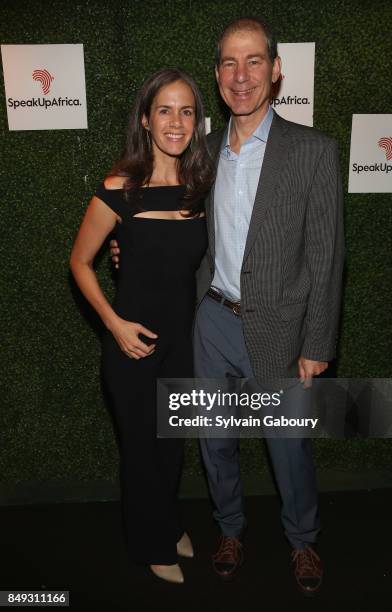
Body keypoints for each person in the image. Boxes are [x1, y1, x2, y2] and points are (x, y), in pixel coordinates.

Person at [111, 17, 344, 596]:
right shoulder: (202, 152)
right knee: (215, 441)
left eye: (254, 61)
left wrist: (317, 345)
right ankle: (230, 529)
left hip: (284, 329)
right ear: (217, 76)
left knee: (288, 448)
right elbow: (164, 221)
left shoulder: (314, 151)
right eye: (229, 64)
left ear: (276, 69)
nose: (242, 76)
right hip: (210, 319)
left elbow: (327, 255)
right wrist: (126, 246)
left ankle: (302, 540)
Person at [70, 68, 213, 584]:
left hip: (182, 343)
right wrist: (114, 324)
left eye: (187, 110)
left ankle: (168, 521)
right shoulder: (118, 188)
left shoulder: (201, 188)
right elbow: (80, 262)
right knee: (140, 448)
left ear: (198, 122)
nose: (176, 121)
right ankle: (150, 542)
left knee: (172, 445)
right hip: (132, 346)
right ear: (146, 120)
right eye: (165, 110)